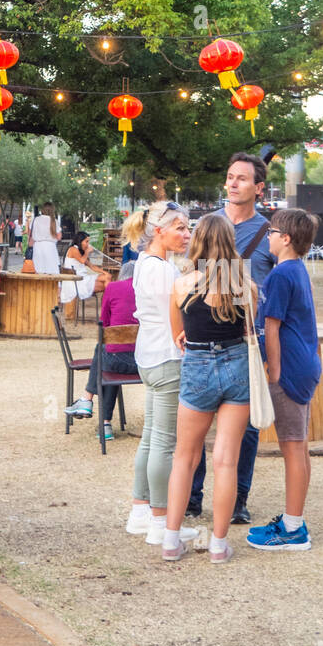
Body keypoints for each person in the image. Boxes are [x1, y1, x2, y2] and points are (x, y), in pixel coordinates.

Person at [162, 213, 256, 563]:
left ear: (198, 241)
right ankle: (218, 545)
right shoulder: (245, 286)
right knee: (226, 460)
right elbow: (249, 333)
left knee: (184, 457)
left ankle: (171, 540)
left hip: (198, 365)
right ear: (230, 242)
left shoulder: (183, 284)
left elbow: (179, 336)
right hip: (237, 368)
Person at [187, 152, 276, 525]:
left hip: (248, 344)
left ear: (258, 188)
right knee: (197, 423)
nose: (233, 183)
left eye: (242, 178)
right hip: (205, 343)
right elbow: (191, 281)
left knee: (248, 429)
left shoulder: (270, 234)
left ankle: (238, 499)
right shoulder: (207, 225)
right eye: (229, 177)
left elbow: (278, 293)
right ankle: (193, 497)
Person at [247, 208, 321, 551]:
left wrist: (272, 372)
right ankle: (295, 521)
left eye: (272, 232)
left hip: (289, 370)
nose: (268, 237)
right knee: (299, 446)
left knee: (291, 446)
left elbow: (271, 327)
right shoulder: (296, 270)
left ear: (286, 238)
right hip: (304, 365)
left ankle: (292, 530)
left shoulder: (279, 275)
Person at [125, 200, 198, 546]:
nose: (187, 234)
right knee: (164, 442)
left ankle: (141, 511)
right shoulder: (166, 271)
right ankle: (159, 519)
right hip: (167, 357)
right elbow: (180, 320)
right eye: (180, 228)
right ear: (159, 231)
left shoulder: (144, 263)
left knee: (152, 437)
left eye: (188, 227)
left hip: (148, 354)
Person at [65, 274, 139, 441]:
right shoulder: (153, 288)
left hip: (117, 361)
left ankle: (89, 402)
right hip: (148, 362)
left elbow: (103, 324)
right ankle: (100, 419)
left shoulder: (113, 287)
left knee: (103, 350)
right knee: (105, 357)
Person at [63, 232, 110, 305]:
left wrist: (104, 272)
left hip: (83, 279)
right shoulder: (73, 249)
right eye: (86, 241)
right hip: (77, 282)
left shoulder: (81, 252)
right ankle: (107, 305)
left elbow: (91, 266)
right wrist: (87, 252)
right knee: (107, 285)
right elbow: (82, 261)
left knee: (107, 277)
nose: (88, 244)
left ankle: (107, 304)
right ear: (80, 241)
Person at [30, 203, 60, 275]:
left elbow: (30, 234)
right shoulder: (54, 221)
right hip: (50, 247)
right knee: (52, 271)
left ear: (42, 210)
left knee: (39, 270)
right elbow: (59, 237)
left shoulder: (36, 219)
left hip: (38, 246)